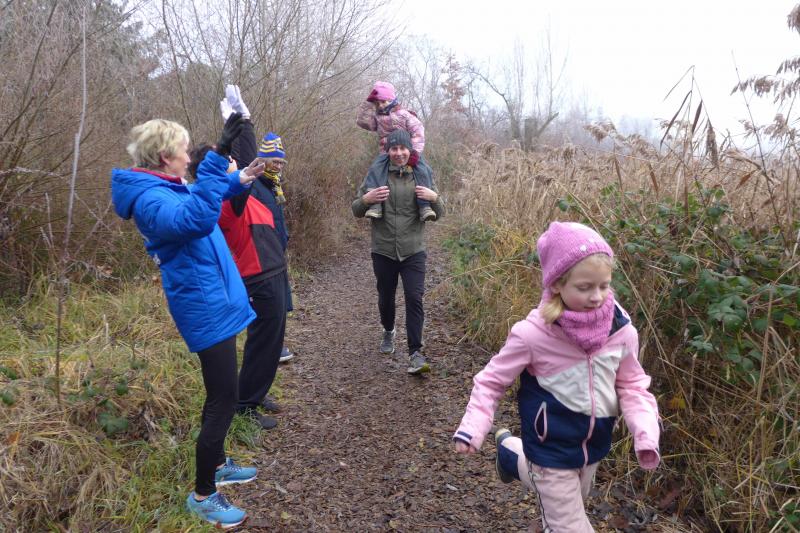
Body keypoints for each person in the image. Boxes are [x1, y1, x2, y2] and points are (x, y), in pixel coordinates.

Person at [452, 221, 661, 532]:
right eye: (584, 287)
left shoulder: (621, 332)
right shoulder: (532, 335)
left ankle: (509, 455)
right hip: (549, 447)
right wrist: (473, 426)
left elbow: (632, 385)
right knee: (568, 524)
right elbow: (492, 381)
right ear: (558, 285)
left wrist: (645, 432)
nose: (596, 296)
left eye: (604, 286)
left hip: (593, 447)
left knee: (576, 498)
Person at [111, 114, 264, 529]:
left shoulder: (167, 187)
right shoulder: (150, 200)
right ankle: (203, 494)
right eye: (183, 148)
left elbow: (200, 195)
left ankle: (218, 463)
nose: (187, 154)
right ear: (166, 156)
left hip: (213, 301)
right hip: (203, 308)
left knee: (222, 392)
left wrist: (239, 177)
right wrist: (217, 154)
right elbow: (194, 218)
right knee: (223, 399)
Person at [211, 86, 290, 430]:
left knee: (272, 340)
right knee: (263, 340)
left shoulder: (262, 187)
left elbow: (253, 160)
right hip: (257, 272)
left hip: (274, 268)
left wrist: (244, 121)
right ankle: (245, 404)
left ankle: (255, 392)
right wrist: (241, 123)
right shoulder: (234, 193)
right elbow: (247, 161)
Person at [352, 129, 444, 374]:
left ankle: (416, 353)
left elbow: (440, 212)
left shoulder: (421, 173)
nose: (399, 153)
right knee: (386, 297)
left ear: (409, 150)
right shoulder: (377, 174)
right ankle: (388, 330)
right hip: (383, 249)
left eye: (403, 148)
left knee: (414, 298)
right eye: (394, 149)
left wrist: (434, 198)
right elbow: (356, 209)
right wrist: (367, 199)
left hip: (413, 250)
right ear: (388, 151)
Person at [356, 81, 436, 222]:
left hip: (409, 153)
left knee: (424, 171)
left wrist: (414, 153)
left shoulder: (404, 114)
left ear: (392, 99)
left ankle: (424, 206)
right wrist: (368, 104)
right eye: (377, 103)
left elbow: (418, 132)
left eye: (383, 102)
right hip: (386, 153)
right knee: (375, 170)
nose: (380, 106)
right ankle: (375, 206)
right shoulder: (377, 117)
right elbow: (363, 122)